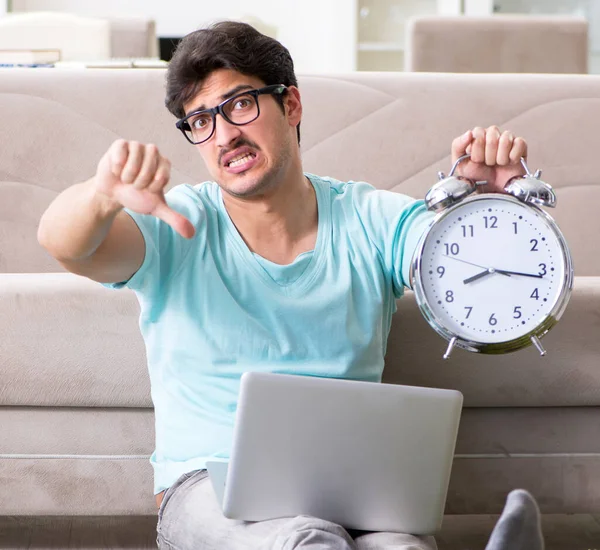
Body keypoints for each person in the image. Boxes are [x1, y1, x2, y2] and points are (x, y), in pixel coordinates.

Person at [37, 21, 545, 550]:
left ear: (292, 106)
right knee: (305, 541)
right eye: (201, 121)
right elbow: (66, 244)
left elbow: (475, 281)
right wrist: (101, 194)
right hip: (208, 490)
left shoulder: (370, 217)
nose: (225, 134)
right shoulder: (177, 223)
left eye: (239, 105)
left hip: (352, 486)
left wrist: (492, 205)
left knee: (399, 546)